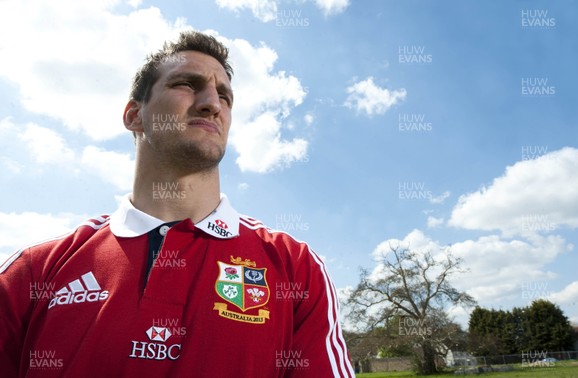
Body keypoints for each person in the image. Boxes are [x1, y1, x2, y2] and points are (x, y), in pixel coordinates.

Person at [0, 30, 354, 378]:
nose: (212, 104)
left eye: (225, 97)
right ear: (134, 115)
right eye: (187, 84)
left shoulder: (296, 268)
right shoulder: (31, 272)